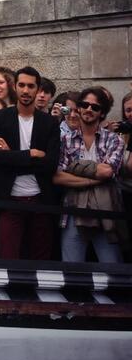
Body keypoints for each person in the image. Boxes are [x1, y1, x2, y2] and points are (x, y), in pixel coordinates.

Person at [0, 66, 60, 260]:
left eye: (31, 86)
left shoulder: (49, 123)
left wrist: (11, 155)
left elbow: (50, 163)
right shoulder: (1, 118)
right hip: (9, 200)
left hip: (41, 200)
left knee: (41, 258)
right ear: (15, 87)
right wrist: (31, 155)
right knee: (8, 258)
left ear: (37, 89)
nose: (26, 91)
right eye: (22, 85)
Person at [53, 87, 125, 263]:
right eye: (84, 105)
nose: (89, 109)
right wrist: (94, 178)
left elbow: (107, 171)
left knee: (112, 270)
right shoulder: (64, 140)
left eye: (95, 107)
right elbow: (57, 177)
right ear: (78, 108)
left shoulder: (114, 139)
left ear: (102, 113)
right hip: (72, 211)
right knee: (72, 272)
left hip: (105, 212)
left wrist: (74, 167)